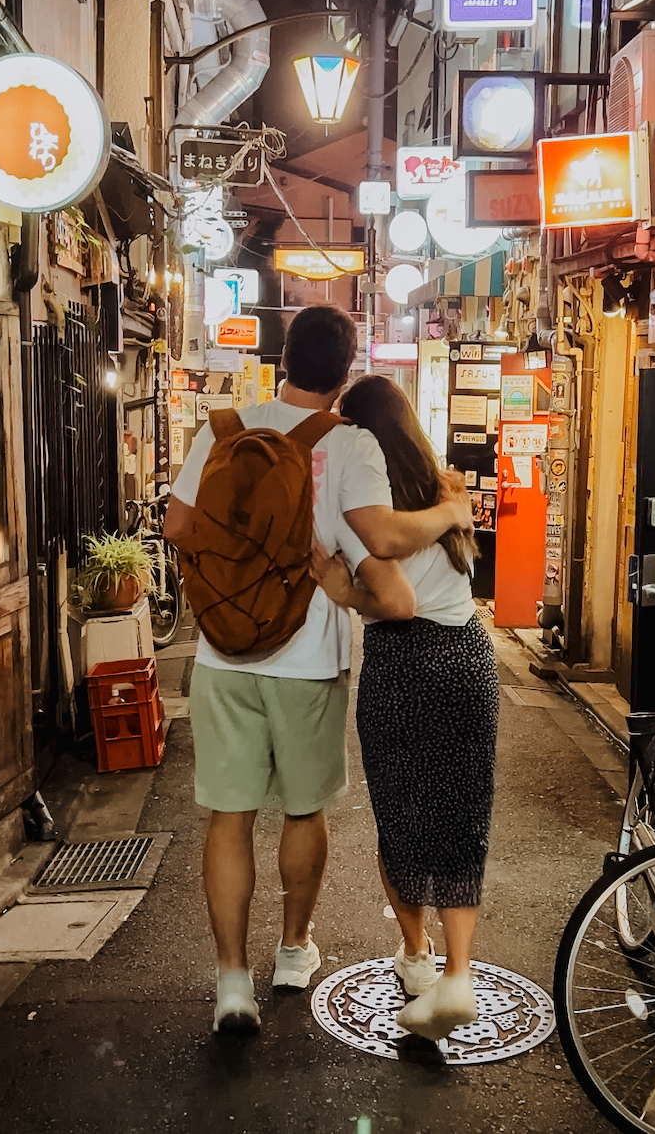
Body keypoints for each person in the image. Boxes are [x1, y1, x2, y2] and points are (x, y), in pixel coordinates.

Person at [162, 305, 473, 1036]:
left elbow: (177, 527)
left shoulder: (220, 429)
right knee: (304, 811)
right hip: (306, 659)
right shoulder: (351, 442)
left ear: (281, 354)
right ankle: (294, 949)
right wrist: (449, 510)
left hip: (220, 655)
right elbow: (382, 534)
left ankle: (232, 983)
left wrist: (225, 585)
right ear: (344, 371)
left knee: (229, 815)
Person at [312, 374, 499, 1043]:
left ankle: (417, 957)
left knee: (403, 812)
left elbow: (395, 602)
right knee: (460, 812)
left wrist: (343, 590)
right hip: (470, 656)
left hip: (404, 660)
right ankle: (459, 972)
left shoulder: (365, 507)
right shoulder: (445, 492)